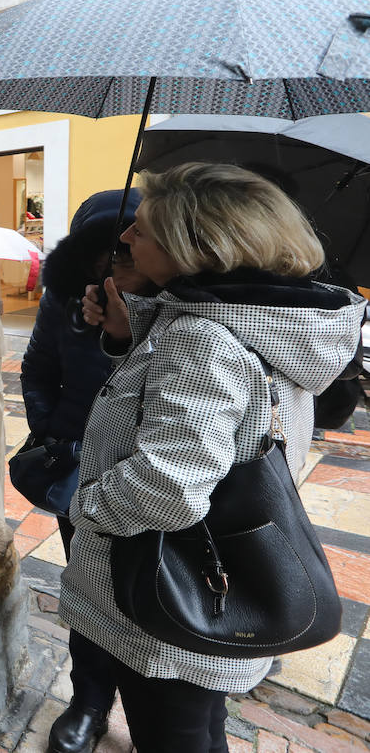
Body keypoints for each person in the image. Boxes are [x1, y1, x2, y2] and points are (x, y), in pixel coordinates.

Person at [67, 163, 364, 752]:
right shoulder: (268, 318)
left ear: (196, 246)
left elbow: (169, 486)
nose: (126, 237)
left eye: (143, 230)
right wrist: (128, 340)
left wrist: (87, 506)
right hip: (217, 575)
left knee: (172, 734)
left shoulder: (202, 336)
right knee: (198, 731)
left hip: (170, 596)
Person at [20, 189, 147, 753]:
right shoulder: (64, 297)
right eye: (105, 253)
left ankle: (155, 709)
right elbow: (38, 366)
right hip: (79, 471)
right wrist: (53, 430)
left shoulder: (175, 303)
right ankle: (90, 700)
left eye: (126, 251)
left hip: (150, 479)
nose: (115, 263)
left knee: (151, 595)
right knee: (88, 589)